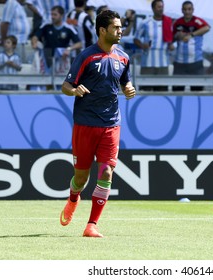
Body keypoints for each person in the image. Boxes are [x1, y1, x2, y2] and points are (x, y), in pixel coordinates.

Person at [60, 10, 136, 238]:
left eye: (121, 27)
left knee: (106, 171)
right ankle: (74, 197)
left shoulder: (123, 57)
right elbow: (65, 85)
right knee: (81, 178)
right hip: (85, 124)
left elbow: (125, 81)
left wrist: (129, 88)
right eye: (116, 27)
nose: (120, 31)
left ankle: (92, 224)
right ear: (103, 30)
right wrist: (75, 90)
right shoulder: (86, 56)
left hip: (111, 124)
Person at [134, 0, 174, 91]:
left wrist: (172, 45)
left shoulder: (168, 22)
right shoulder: (145, 23)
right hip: (148, 62)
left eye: (162, 7)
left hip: (163, 63)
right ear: (153, 8)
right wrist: (142, 45)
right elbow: (136, 39)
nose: (161, 9)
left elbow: (171, 39)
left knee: (162, 91)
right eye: (159, 7)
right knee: (145, 90)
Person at [31, 5, 82, 76]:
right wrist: (34, 43)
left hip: (62, 58)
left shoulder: (68, 28)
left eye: (55, 15)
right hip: (47, 56)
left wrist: (69, 49)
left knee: (61, 81)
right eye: (51, 14)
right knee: (46, 80)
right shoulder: (46, 26)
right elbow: (35, 36)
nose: (52, 17)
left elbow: (79, 43)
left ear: (61, 16)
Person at [172, 1, 210, 91]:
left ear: (193, 10)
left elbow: (207, 28)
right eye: (185, 9)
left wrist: (192, 35)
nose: (187, 12)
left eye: (189, 9)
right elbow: (172, 37)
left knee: (197, 90)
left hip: (195, 62)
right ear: (182, 10)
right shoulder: (178, 22)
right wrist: (177, 36)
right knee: (177, 90)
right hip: (180, 62)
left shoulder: (197, 21)